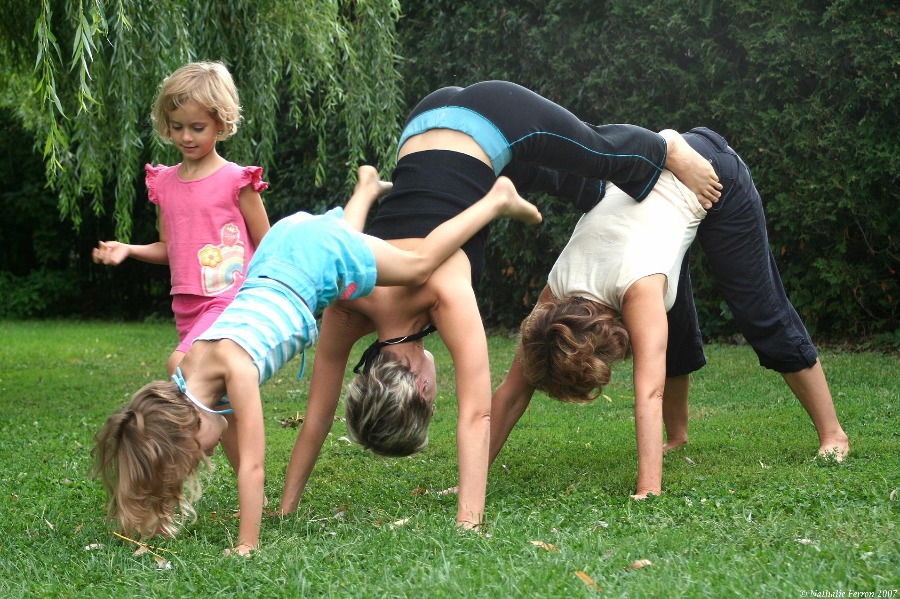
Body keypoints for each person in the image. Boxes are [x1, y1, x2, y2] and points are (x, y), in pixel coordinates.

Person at [280, 80, 722, 529]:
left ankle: (668, 150)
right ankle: (590, 188)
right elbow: (318, 418)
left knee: (597, 150)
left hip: (494, 118)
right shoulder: (351, 300)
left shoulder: (443, 291)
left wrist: (468, 522)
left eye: (432, 406)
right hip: (420, 126)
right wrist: (282, 510)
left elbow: (477, 415)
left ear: (422, 390)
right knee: (576, 184)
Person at [92, 165, 542, 556]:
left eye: (198, 455)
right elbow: (201, 432)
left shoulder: (238, 369)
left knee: (420, 264)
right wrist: (158, 498)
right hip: (281, 251)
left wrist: (249, 541)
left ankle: (495, 199)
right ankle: (365, 187)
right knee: (341, 238)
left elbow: (251, 465)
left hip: (307, 259)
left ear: (188, 425)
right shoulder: (184, 366)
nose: (207, 455)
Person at [488, 127, 849, 499]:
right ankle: (677, 436)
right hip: (657, 186)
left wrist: (648, 489)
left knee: (760, 312)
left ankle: (833, 434)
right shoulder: (555, 295)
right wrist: (469, 478)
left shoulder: (637, 286)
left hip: (707, 173)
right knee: (667, 318)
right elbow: (513, 391)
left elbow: (649, 391)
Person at [92, 61, 270, 376]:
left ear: (221, 123)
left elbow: (269, 247)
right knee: (215, 389)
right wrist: (129, 249)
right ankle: (230, 426)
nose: (186, 137)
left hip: (229, 297)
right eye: (177, 127)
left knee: (182, 364)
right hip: (185, 304)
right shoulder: (163, 183)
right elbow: (169, 248)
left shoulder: (236, 181)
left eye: (197, 128)